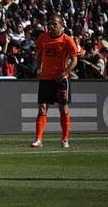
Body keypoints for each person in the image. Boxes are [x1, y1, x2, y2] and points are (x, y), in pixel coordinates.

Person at [30, 14, 78, 148]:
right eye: (50, 24)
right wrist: (39, 68)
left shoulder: (67, 40)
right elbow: (39, 53)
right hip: (45, 78)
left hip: (60, 79)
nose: (51, 26)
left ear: (61, 26)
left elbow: (75, 60)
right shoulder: (43, 37)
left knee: (63, 108)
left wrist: (64, 73)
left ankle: (65, 139)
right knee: (42, 107)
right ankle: (38, 140)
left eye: (54, 24)